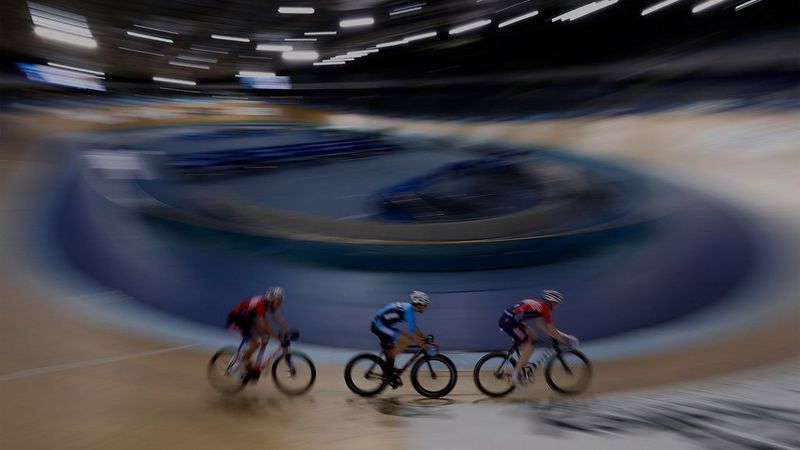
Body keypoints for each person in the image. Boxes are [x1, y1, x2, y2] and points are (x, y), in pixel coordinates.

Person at [499, 290, 572, 386]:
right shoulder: (544, 309)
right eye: (556, 303)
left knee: (534, 336)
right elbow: (551, 328)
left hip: (511, 320)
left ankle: (524, 361)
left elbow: (539, 324)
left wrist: (551, 335)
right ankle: (514, 375)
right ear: (550, 302)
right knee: (529, 348)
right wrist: (563, 340)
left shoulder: (539, 306)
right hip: (509, 322)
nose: (556, 306)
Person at [371, 291, 431, 384]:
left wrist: (424, 339)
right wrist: (426, 347)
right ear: (419, 304)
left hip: (382, 324)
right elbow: (414, 335)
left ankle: (388, 370)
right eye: (425, 305)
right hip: (379, 325)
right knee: (406, 340)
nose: (426, 307)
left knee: (396, 346)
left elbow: (414, 329)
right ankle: (389, 369)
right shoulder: (408, 312)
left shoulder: (409, 309)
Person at [226, 286, 289, 375]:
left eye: (280, 301)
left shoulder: (269, 303)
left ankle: (255, 363)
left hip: (246, 321)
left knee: (265, 336)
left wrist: (287, 330)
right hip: (235, 321)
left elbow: (278, 319)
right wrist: (279, 339)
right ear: (271, 299)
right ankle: (235, 367)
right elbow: (265, 327)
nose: (279, 304)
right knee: (255, 343)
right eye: (278, 301)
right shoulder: (260, 304)